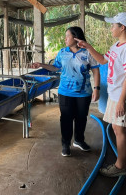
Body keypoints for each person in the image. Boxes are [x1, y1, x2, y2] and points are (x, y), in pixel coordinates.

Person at [75, 12, 126, 177]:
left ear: (122, 28)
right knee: (124, 128)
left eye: (113, 25)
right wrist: (88, 46)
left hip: (123, 97)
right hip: (116, 95)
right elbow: (102, 60)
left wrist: (121, 101)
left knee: (118, 129)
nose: (111, 29)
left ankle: (121, 166)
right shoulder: (117, 45)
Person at [32, 26, 100, 157]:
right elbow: (55, 67)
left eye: (67, 36)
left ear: (75, 38)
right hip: (65, 92)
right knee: (66, 118)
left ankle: (79, 140)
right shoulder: (62, 52)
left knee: (81, 118)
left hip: (84, 92)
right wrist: (41, 64)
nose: (65, 39)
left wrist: (97, 89)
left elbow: (96, 71)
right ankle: (65, 144)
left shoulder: (87, 52)